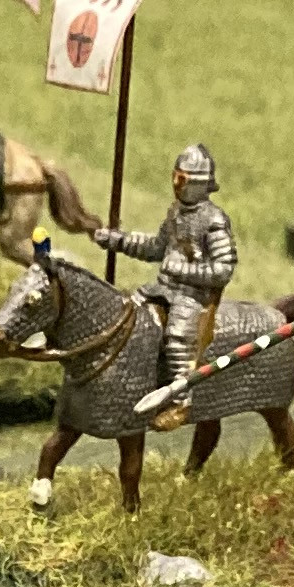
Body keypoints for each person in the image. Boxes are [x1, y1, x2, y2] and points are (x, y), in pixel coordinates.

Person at [94, 143, 235, 422]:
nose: (176, 184)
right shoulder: (176, 213)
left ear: (198, 183)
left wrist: (183, 271)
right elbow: (155, 247)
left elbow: (223, 269)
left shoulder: (214, 220)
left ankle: (181, 402)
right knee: (126, 316)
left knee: (177, 338)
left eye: (182, 179)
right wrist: (117, 241)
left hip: (193, 296)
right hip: (161, 289)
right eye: (176, 177)